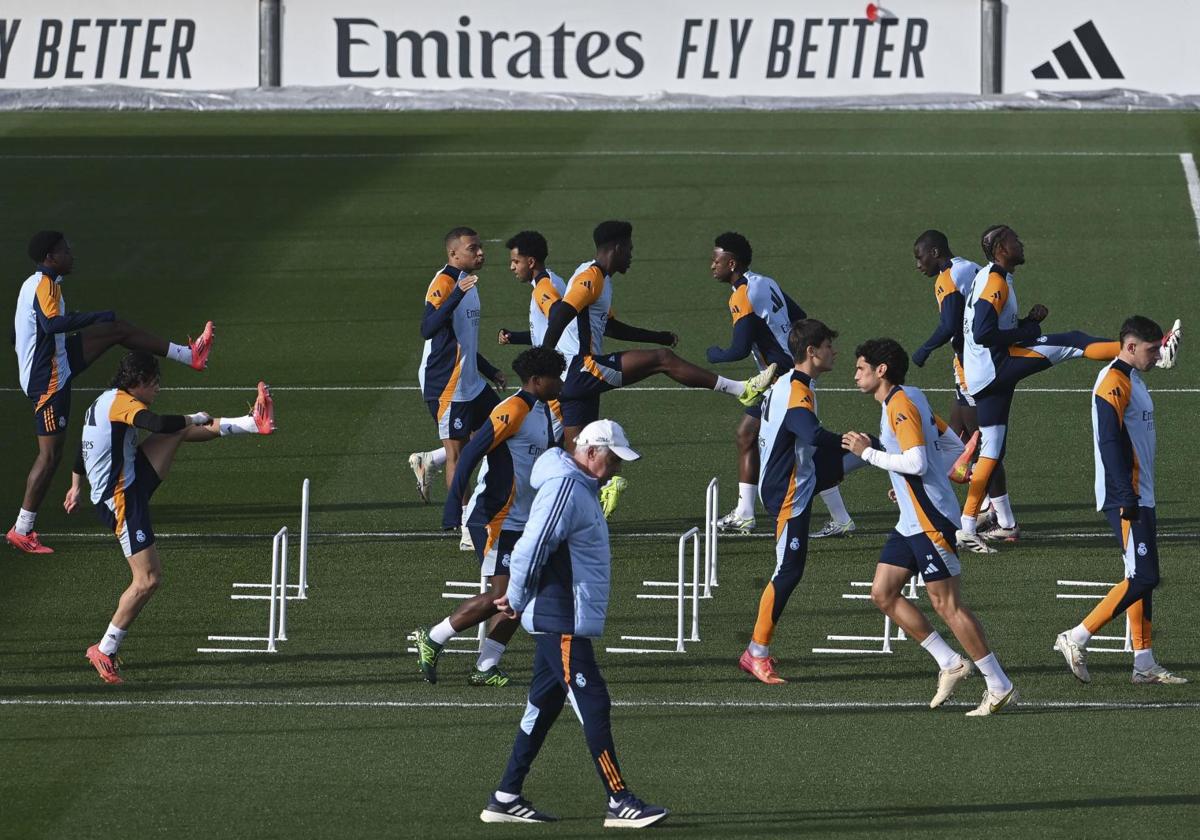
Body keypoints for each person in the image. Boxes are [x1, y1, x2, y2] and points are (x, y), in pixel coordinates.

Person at [480, 419, 668, 827]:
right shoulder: (567, 489)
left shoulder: (576, 486)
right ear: (592, 452)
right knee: (593, 702)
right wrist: (513, 599)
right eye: (614, 459)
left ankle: (505, 796)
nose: (617, 467)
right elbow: (533, 544)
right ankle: (619, 800)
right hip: (560, 615)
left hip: (561, 613)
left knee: (542, 707)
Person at [956, 224, 1181, 554]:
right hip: (996, 366)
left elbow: (987, 329)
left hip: (981, 374)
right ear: (1001, 248)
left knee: (991, 450)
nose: (1021, 243)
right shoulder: (995, 281)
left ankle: (966, 526)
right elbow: (983, 332)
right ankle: (1157, 353)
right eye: (1015, 240)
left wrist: (1026, 324)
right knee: (1073, 341)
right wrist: (1028, 331)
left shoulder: (991, 277)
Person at [540, 220, 776, 516]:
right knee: (662, 359)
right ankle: (741, 388)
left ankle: (576, 508)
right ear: (616, 248)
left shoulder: (602, 280)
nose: (632, 255)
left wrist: (656, 335)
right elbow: (562, 311)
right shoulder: (592, 276)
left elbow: (609, 326)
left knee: (577, 452)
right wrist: (543, 358)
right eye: (629, 249)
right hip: (583, 368)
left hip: (576, 381)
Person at [64, 351, 273, 684]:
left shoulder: (104, 401)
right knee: (148, 579)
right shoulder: (123, 405)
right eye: (155, 383)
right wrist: (192, 416)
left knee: (176, 433)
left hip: (130, 477)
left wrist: (75, 484)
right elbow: (157, 423)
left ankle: (253, 423)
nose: (158, 388)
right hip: (120, 500)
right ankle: (104, 649)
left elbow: (83, 446)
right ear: (139, 383)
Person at [8, 231, 214, 555]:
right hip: (48, 380)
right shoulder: (45, 286)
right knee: (50, 456)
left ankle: (190, 355)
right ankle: (22, 529)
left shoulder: (32, 285)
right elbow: (51, 325)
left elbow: (18, 332)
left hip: (56, 359)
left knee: (117, 329)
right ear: (50, 257)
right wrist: (94, 316)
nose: (71, 253)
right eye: (65, 250)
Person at [843, 338, 1019, 716]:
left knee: (947, 604)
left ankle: (999, 684)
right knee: (883, 593)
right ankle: (950, 663)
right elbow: (952, 447)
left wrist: (868, 454)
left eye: (860, 368)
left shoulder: (900, 405)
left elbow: (918, 462)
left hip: (931, 521)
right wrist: (906, 484)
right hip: (912, 519)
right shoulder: (910, 396)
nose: (855, 375)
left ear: (881, 371)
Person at [412, 346, 565, 687]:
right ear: (537, 380)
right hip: (495, 517)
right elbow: (469, 455)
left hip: (526, 521)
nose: (561, 383)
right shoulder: (511, 410)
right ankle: (433, 637)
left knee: (521, 595)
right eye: (556, 377)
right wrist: (454, 507)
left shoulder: (545, 413)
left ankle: (486, 665)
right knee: (507, 594)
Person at [1053, 316, 1187, 686]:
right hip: (1126, 495)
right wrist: (1126, 496)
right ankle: (1076, 636)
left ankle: (1143, 662)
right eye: (1151, 350)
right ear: (1130, 347)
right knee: (1145, 576)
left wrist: (1164, 350)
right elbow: (1109, 441)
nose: (1156, 356)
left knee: (1139, 578)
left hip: (1141, 493)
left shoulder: (1132, 376)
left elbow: (1151, 362)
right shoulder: (1112, 381)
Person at [739, 319, 871, 685]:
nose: (835, 352)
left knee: (873, 443)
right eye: (829, 346)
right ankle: (756, 652)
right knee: (789, 570)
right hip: (788, 491)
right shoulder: (798, 389)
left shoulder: (791, 382)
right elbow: (809, 431)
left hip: (797, 476)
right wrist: (847, 441)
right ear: (812, 352)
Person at [705, 232, 859, 539]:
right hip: (781, 376)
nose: (712, 266)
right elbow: (800, 317)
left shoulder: (741, 294)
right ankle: (746, 512)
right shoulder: (766, 282)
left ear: (731, 262)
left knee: (805, 449)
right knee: (747, 435)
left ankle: (853, 489)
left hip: (785, 381)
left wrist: (714, 354)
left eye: (716, 260)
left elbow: (737, 348)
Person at [415, 227, 507, 549]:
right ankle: (468, 526)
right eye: (473, 248)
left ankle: (430, 462)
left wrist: (489, 369)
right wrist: (456, 293)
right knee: (458, 454)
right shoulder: (445, 282)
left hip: (472, 382)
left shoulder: (470, 284)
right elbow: (427, 328)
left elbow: (462, 341)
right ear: (454, 254)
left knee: (501, 433)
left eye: (481, 247)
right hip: (447, 387)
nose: (481, 252)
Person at [909, 229, 1006, 527]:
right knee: (955, 431)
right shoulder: (969, 266)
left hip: (973, 365)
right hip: (977, 360)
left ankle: (1001, 516)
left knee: (984, 441)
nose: (918, 264)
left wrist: (924, 349)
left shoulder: (948, 277)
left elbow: (950, 323)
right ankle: (934, 491)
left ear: (935, 252)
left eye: (919, 256)